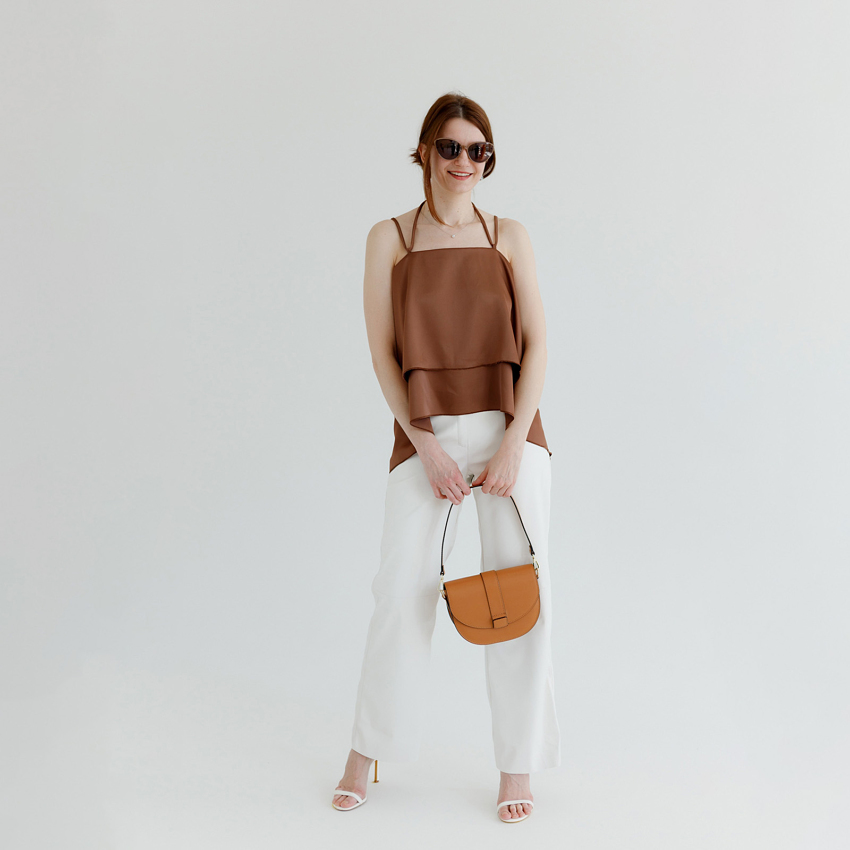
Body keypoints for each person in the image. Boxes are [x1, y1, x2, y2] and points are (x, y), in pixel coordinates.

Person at [331, 92, 561, 823]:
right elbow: (383, 353)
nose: (465, 161)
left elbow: (538, 345)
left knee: (520, 593)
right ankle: (366, 751)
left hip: (509, 429)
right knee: (399, 590)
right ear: (426, 151)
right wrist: (424, 442)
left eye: (478, 150)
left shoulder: (508, 235)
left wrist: (515, 442)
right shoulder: (391, 238)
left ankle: (517, 767)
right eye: (452, 147)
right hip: (424, 433)